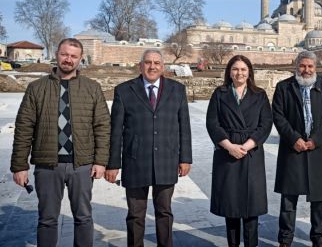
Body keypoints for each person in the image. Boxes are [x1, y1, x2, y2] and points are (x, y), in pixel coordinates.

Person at [11, 38, 111, 246]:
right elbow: (23, 129)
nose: (68, 59)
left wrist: (101, 161)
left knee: (83, 217)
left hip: (82, 166)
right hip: (48, 166)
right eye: (65, 54)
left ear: (80, 59)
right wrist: (19, 166)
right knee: (47, 220)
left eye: (74, 56)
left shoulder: (92, 88)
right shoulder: (36, 88)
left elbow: (103, 127)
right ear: (57, 54)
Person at [105, 49, 192, 247]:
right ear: (140, 65)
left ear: (163, 67)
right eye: (147, 62)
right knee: (135, 214)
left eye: (156, 63)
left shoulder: (177, 90)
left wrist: (185, 158)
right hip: (136, 160)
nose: (152, 66)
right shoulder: (124, 90)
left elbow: (184, 127)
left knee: (164, 212)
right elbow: (116, 131)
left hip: (166, 160)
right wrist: (113, 164)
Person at [272, 51, 322, 247]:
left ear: (316, 68)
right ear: (296, 67)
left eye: (310, 66)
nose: (306, 70)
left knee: (320, 200)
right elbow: (278, 116)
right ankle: (285, 239)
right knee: (288, 201)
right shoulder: (284, 88)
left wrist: (316, 140)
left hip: (318, 152)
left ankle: (318, 239)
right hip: (292, 150)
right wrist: (294, 138)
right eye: (303, 66)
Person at [206, 55, 273, 247]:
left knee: (252, 208)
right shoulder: (220, 93)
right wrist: (229, 146)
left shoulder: (259, 94)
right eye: (235, 69)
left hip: (251, 153)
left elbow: (266, 124)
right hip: (227, 154)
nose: (239, 73)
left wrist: (248, 145)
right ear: (229, 71)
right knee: (232, 207)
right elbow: (212, 123)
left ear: (249, 71)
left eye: (243, 69)